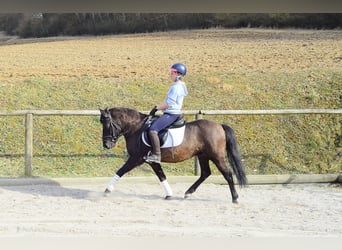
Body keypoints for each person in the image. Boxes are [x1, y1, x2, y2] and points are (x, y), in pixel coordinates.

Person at [144, 62, 188, 164]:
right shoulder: (179, 85)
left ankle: (156, 155)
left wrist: (156, 108)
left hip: (171, 114)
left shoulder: (176, 87)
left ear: (178, 74)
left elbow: (169, 103)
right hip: (170, 113)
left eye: (172, 73)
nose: (170, 75)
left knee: (152, 130)